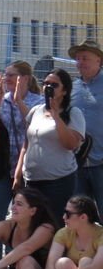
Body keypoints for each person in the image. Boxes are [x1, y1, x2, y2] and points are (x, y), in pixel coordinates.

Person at [14, 69, 84, 224]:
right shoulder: (35, 111)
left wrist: (56, 116)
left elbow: (71, 144)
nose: (48, 87)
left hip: (58, 182)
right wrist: (18, 174)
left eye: (54, 85)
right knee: (30, 225)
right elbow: (27, 143)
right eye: (45, 83)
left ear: (64, 91)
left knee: (52, 225)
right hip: (32, 180)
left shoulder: (73, 113)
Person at [0, 61, 43, 231]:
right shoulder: (2, 100)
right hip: (3, 167)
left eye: (11, 75)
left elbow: (35, 125)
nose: (7, 78)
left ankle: (16, 255)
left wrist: (19, 101)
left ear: (25, 78)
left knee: (24, 218)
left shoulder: (38, 101)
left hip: (28, 169)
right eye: (5, 74)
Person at [69, 40, 103, 212]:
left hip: (101, 161)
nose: (80, 62)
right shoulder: (71, 88)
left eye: (85, 58)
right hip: (77, 163)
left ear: (99, 60)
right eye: (78, 59)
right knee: (79, 215)